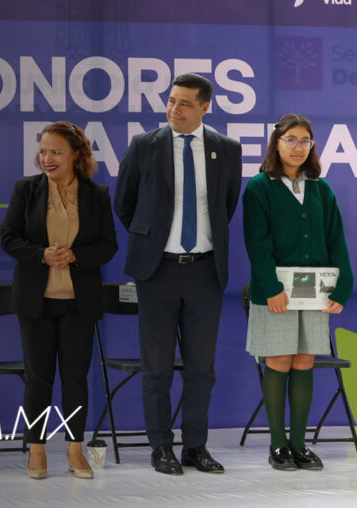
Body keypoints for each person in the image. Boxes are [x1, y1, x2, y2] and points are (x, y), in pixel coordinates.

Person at [114, 73, 242, 475]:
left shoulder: (227, 149)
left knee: (202, 369)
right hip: (157, 272)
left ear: (205, 107)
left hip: (205, 272)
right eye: (171, 101)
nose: (175, 109)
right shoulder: (144, 145)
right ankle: (161, 447)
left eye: (185, 103)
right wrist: (154, 240)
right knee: (157, 368)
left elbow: (226, 206)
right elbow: (125, 203)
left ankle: (196, 446)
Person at [1, 121, 118, 479]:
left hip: (78, 302)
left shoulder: (96, 194)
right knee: (38, 378)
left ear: (76, 156)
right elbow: (9, 237)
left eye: (55, 152)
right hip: (36, 301)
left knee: (75, 379)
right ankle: (36, 450)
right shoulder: (26, 189)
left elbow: (108, 245)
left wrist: (75, 256)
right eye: (42, 151)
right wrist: (41, 255)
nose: (46, 159)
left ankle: (74, 450)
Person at [243, 113, 353, 471]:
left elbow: (337, 240)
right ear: (276, 143)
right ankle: (278, 445)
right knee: (279, 360)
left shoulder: (322, 188)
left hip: (315, 293)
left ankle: (300, 444)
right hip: (275, 292)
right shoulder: (260, 186)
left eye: (305, 140)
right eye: (290, 139)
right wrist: (271, 288)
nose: (298, 147)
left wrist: (345, 285)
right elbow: (257, 243)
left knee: (304, 360)